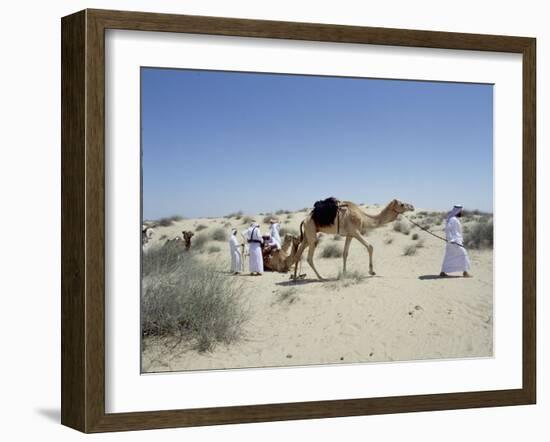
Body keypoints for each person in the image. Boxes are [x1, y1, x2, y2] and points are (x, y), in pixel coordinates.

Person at [440, 205, 472, 277]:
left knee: (448, 256)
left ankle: (442, 272)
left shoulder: (453, 218)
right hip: (454, 242)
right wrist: (451, 239)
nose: (461, 212)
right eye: (460, 211)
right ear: (457, 211)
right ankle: (465, 272)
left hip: (455, 241)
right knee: (463, 254)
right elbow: (448, 229)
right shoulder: (452, 219)